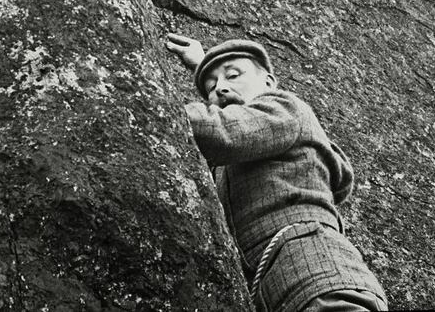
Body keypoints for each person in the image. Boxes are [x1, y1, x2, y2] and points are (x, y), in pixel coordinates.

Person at [166, 34, 388, 312]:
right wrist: (206, 66)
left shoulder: (285, 109)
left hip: (317, 274)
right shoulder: (229, 164)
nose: (220, 88)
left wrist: (153, 96)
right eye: (211, 87)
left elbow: (225, 130)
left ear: (269, 83)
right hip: (271, 287)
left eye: (234, 75)